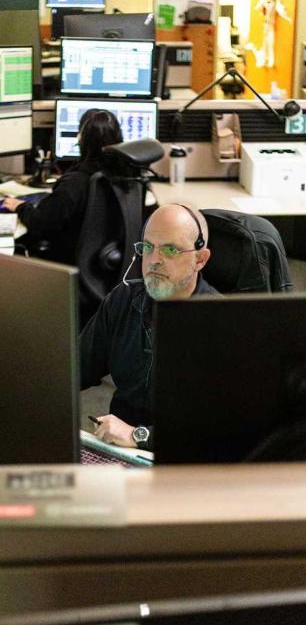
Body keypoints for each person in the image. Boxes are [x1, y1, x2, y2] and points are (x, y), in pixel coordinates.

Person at [79, 203, 217, 452]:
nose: (154, 261)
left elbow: (218, 430)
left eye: (170, 250)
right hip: (117, 451)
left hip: (183, 465)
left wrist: (138, 436)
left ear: (200, 259)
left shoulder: (222, 323)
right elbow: (74, 369)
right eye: (147, 247)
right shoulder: (123, 300)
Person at [3, 109, 123, 266]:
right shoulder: (127, 176)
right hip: (109, 267)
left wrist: (20, 206)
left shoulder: (75, 183)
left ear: (83, 139)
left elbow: (40, 222)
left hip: (69, 265)